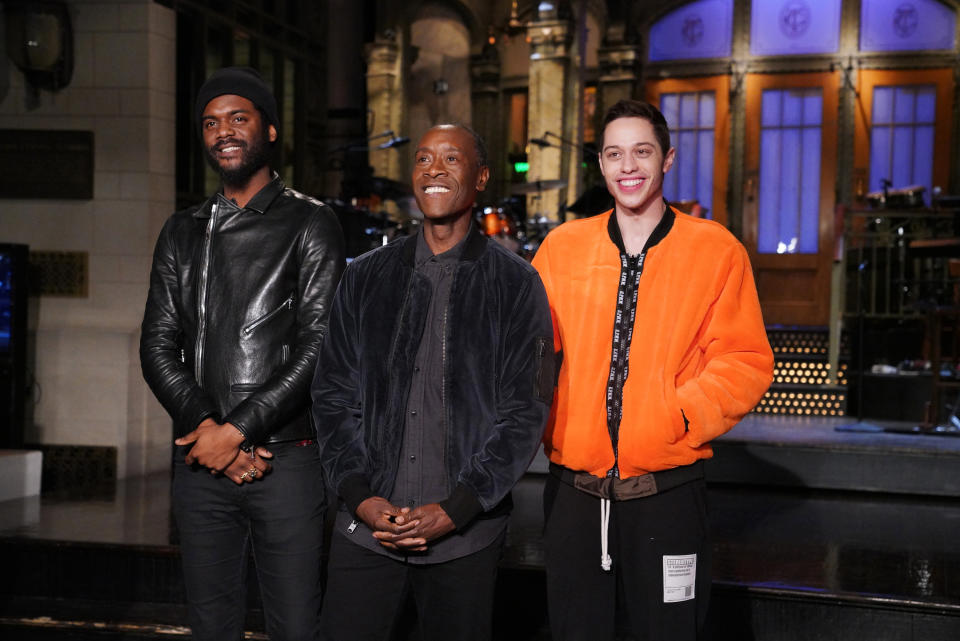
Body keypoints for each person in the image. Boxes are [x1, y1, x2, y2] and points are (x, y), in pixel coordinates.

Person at [531, 99, 774, 640]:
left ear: (667, 158)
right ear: (600, 165)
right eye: (614, 154)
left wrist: (680, 416)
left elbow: (744, 359)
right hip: (574, 493)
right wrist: (547, 421)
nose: (628, 166)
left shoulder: (715, 250)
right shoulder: (562, 248)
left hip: (667, 493)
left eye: (642, 151)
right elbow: (529, 351)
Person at [312, 123, 554, 641]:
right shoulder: (364, 277)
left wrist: (458, 508)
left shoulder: (517, 283)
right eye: (423, 160)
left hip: (464, 535)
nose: (433, 171)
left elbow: (524, 413)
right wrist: (359, 496)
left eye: (450, 159)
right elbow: (332, 396)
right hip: (365, 529)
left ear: (482, 176)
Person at [140, 66, 345, 641]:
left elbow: (320, 347)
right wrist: (213, 434)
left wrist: (237, 433)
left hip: (287, 461)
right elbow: (156, 345)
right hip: (202, 462)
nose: (223, 131)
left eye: (238, 117)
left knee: (296, 626)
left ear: (270, 130)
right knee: (210, 626)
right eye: (210, 122)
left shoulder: (311, 222)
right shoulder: (181, 230)